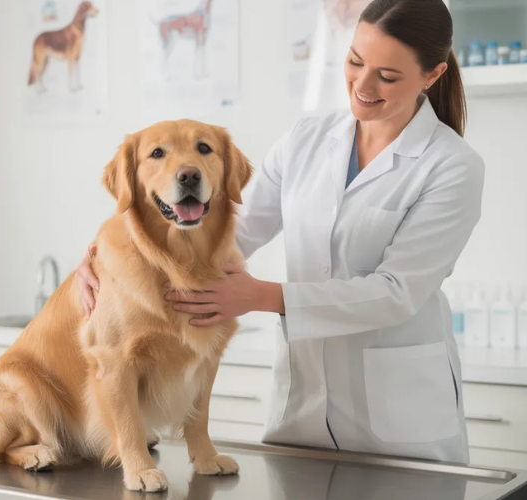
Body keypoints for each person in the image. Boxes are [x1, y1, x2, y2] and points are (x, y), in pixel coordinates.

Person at [76, 0, 484, 464]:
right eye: (354, 61)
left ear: (431, 76)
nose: (363, 85)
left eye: (387, 77)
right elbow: (225, 231)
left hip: (401, 423)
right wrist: (102, 258)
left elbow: (397, 292)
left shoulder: (452, 166)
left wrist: (260, 296)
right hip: (303, 414)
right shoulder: (307, 140)